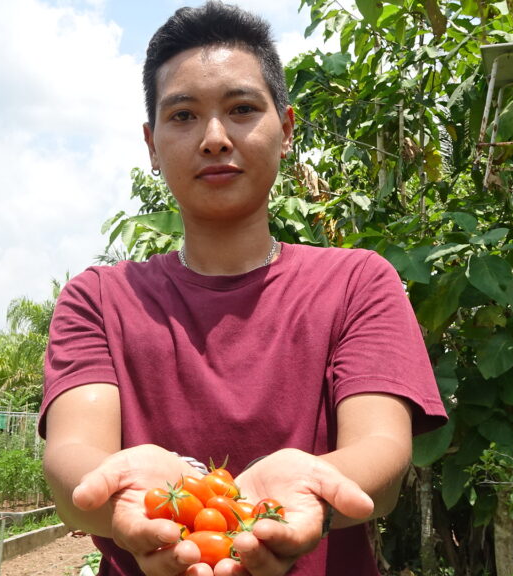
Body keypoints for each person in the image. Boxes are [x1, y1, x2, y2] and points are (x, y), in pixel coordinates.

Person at [39, 2, 447, 575]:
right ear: (151, 145)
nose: (214, 138)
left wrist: (310, 488)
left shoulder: (358, 282)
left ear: (286, 130)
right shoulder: (99, 299)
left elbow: (381, 451)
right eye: (183, 115)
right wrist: (129, 495)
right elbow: (72, 453)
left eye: (242, 109)